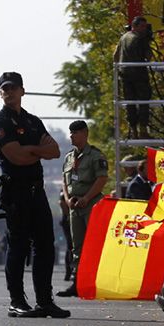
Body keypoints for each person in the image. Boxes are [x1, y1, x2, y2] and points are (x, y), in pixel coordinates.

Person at [0, 72, 70, 318]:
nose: (9, 92)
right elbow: (17, 156)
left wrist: (31, 149)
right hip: (16, 192)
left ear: (22, 91)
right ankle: (17, 301)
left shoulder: (33, 121)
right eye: (5, 89)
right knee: (18, 246)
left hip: (37, 190)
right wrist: (38, 149)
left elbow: (55, 150)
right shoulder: (1, 122)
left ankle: (44, 300)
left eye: (13, 88)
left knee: (45, 246)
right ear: (1, 92)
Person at [57, 120, 109, 297]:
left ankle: (97, 282)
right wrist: (67, 199)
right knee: (77, 246)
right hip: (74, 206)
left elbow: (102, 179)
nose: (72, 135)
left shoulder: (96, 155)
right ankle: (77, 282)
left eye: (76, 132)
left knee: (94, 244)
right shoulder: (69, 157)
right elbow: (65, 182)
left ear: (85, 134)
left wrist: (86, 198)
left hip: (91, 204)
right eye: (71, 132)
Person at [114, 15, 152, 139]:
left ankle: (133, 130)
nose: (144, 29)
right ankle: (143, 131)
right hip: (139, 75)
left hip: (125, 75)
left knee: (130, 103)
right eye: (142, 26)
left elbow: (115, 55)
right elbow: (149, 56)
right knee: (143, 102)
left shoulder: (123, 37)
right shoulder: (140, 39)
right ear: (134, 26)